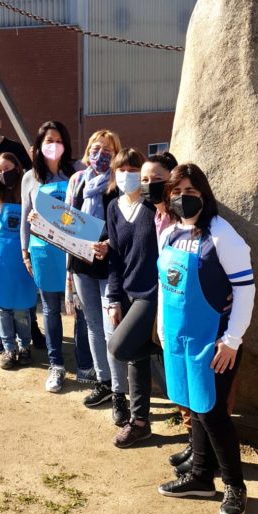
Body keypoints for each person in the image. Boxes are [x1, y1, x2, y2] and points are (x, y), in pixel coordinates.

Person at [156, 163, 255, 514]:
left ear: (204, 194)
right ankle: (200, 476)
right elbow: (165, 286)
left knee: (213, 413)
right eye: (176, 193)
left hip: (214, 342)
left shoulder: (222, 234)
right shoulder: (170, 233)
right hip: (179, 337)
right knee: (194, 405)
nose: (183, 199)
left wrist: (232, 340)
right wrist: (162, 329)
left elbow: (245, 290)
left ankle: (235, 486)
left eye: (191, 192)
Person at [65, 129, 130, 421]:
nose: (99, 154)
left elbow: (126, 226)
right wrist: (44, 223)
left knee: (111, 328)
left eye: (107, 150)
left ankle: (119, 393)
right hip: (82, 265)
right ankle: (103, 381)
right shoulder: (77, 180)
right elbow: (67, 221)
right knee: (92, 325)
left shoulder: (119, 182)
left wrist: (109, 244)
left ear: (116, 154)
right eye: (95, 148)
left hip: (110, 266)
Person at [0, 105, 45, 350]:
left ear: (0, 122)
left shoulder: (15, 149)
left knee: (24, 299)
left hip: (22, 249)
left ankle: (30, 334)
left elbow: (36, 175)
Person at [105, 148, 160, 447]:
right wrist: (114, 298)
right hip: (125, 292)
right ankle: (140, 422)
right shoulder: (114, 207)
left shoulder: (154, 206)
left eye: (133, 169)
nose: (127, 175)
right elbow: (114, 256)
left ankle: (158, 351)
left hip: (151, 293)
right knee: (135, 355)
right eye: (121, 170)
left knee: (119, 347)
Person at [140, 152, 191, 466]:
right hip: (165, 306)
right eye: (144, 180)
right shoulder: (156, 217)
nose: (149, 185)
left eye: (157, 179)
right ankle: (194, 441)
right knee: (178, 380)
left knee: (189, 380)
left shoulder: (180, 218)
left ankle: (201, 447)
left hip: (184, 310)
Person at [22, 120, 79, 393]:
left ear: (65, 144)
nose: (53, 146)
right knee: (50, 309)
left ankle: (85, 364)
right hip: (42, 251)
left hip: (73, 252)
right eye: (48, 141)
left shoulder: (77, 171)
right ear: (39, 146)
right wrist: (25, 252)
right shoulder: (30, 177)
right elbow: (25, 219)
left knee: (80, 309)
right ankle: (56, 365)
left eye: (58, 140)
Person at [0, 153, 37, 369]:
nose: (3, 174)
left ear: (18, 168)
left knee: (22, 307)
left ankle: (24, 346)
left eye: (7, 168)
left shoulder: (29, 192)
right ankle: (9, 349)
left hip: (22, 260)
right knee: (2, 307)